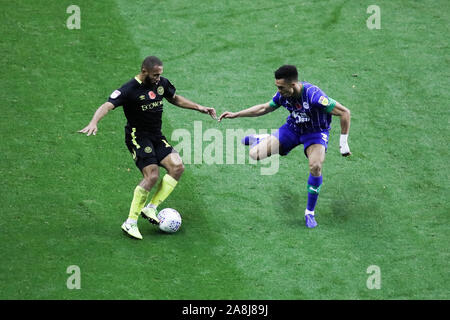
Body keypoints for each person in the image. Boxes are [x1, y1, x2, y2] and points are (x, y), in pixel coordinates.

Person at [79, 56, 216, 239]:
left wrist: (199, 107)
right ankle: (130, 223)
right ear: (144, 71)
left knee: (177, 167)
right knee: (152, 175)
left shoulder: (161, 83)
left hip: (156, 136)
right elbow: (107, 105)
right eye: (155, 74)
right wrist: (94, 122)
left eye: (160, 74)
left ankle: (151, 208)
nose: (158, 78)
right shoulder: (129, 89)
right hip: (138, 137)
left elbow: (174, 98)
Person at [219, 65, 351, 228]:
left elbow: (345, 112)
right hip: (293, 128)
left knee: (315, 166)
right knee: (255, 154)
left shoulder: (314, 96)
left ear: (293, 84)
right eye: (277, 87)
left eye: (281, 87)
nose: (279, 90)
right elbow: (264, 107)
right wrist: (236, 114)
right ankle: (264, 138)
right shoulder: (283, 95)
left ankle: (309, 212)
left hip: (315, 133)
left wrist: (343, 143)